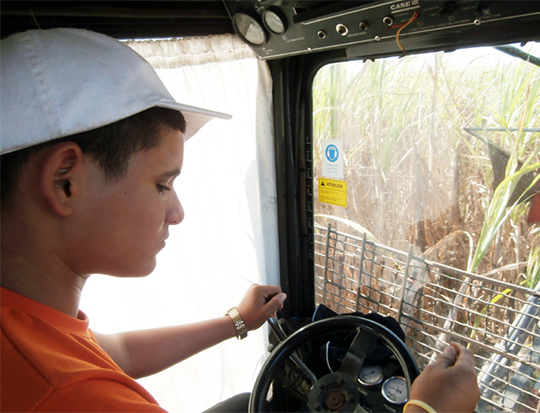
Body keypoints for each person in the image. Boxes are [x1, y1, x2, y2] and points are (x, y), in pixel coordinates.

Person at [0, 28, 480, 413]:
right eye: (162, 184)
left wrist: (237, 321)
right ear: (65, 182)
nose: (177, 212)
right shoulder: (72, 395)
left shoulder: (27, 324)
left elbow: (116, 354)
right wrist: (426, 408)